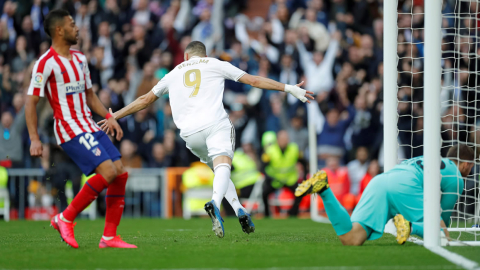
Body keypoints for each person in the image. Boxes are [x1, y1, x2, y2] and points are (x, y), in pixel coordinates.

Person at [99, 41, 314, 238]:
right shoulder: (215, 64)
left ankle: (239, 209)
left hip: (190, 135)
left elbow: (145, 100)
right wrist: (289, 88)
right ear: (204, 54)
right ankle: (215, 203)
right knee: (224, 166)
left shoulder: (173, 73)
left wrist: (115, 115)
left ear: (186, 57)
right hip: (215, 125)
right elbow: (254, 80)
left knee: (219, 170)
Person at [25, 10, 136, 249]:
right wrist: (34, 138)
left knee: (119, 172)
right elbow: (30, 102)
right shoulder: (45, 64)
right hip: (69, 129)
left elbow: (90, 95)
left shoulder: (80, 59)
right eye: (72, 25)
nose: (77, 29)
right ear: (59, 30)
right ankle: (65, 218)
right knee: (107, 171)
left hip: (89, 124)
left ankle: (109, 237)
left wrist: (109, 116)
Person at [294, 144, 474, 246]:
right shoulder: (456, 175)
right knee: (441, 235)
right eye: (471, 167)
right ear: (466, 164)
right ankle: (409, 226)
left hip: (381, 180)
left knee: (351, 238)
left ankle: (324, 190)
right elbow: (443, 219)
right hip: (405, 184)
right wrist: (440, 229)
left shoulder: (432, 160)